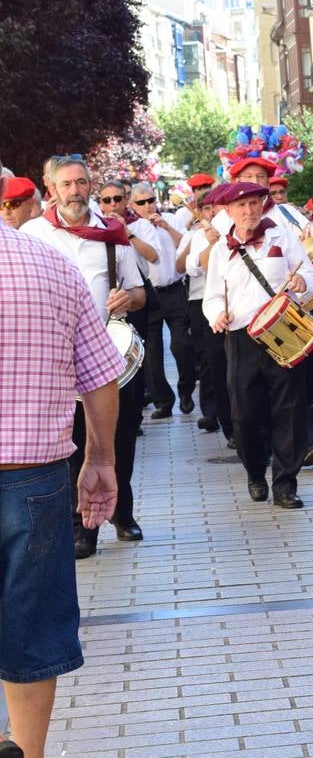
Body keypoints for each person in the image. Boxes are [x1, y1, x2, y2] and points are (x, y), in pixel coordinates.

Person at [0, 217, 125, 758]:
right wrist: (101, 457)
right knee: (30, 626)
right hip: (34, 478)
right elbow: (99, 373)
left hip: (33, 478)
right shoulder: (50, 263)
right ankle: (27, 751)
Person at [22, 154, 148, 559]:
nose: (75, 191)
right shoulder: (33, 234)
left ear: (90, 186)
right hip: (55, 357)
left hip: (106, 354)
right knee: (72, 441)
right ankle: (83, 528)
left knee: (118, 436)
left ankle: (122, 514)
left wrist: (129, 297)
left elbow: (142, 292)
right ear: (52, 188)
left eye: (81, 183)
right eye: (67, 184)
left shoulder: (113, 233)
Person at [201, 182, 313, 509]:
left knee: (289, 409)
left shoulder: (282, 236)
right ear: (229, 211)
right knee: (244, 414)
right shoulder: (220, 250)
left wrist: (301, 283)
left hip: (282, 330)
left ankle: (285, 484)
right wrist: (216, 314)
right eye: (241, 206)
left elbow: (311, 276)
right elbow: (210, 296)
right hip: (241, 337)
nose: (249, 211)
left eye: (254, 204)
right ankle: (255, 470)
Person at [129, 181, 196, 420]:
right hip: (150, 294)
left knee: (182, 345)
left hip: (175, 289)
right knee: (151, 352)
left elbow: (188, 245)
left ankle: (186, 391)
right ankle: (163, 401)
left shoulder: (171, 219)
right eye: (141, 202)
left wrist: (165, 225)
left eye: (151, 200)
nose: (148, 206)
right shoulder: (132, 228)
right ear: (132, 204)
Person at [182, 187, 234, 445]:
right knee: (216, 365)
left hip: (241, 307)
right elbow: (195, 267)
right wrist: (214, 243)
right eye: (213, 207)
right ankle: (228, 424)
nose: (218, 211)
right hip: (209, 305)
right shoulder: (202, 235)